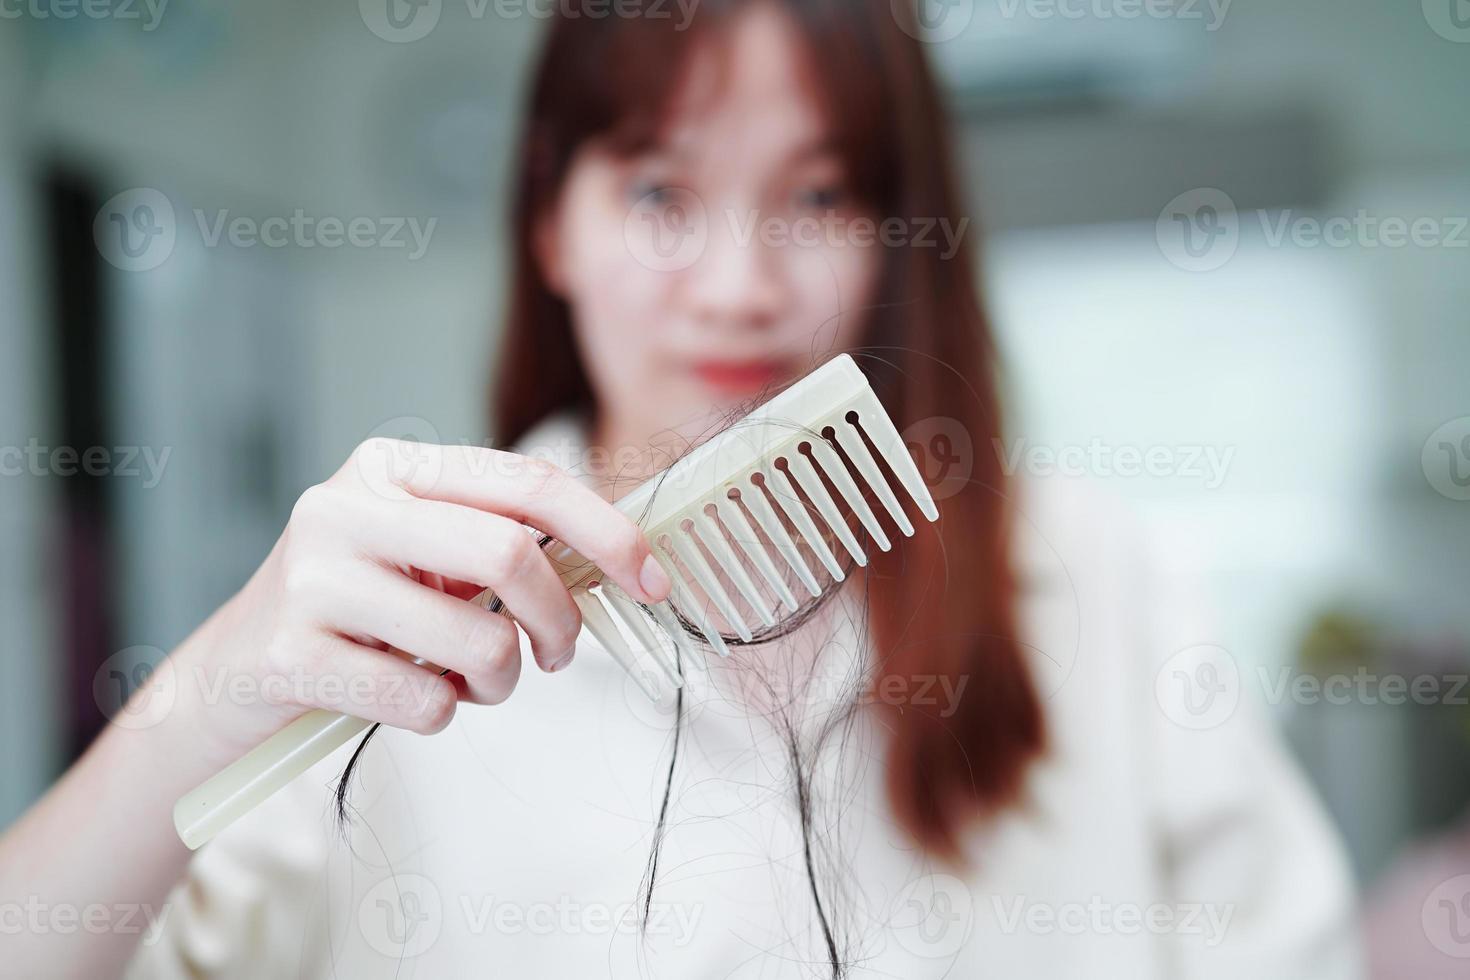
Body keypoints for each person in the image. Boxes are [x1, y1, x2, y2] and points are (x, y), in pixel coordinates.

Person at [2, 1, 1363, 977]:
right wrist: (203, 705)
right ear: (552, 222)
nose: (738, 286)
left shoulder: (1083, 572)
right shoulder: (399, 627)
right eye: (660, 191)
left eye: (818, 196)